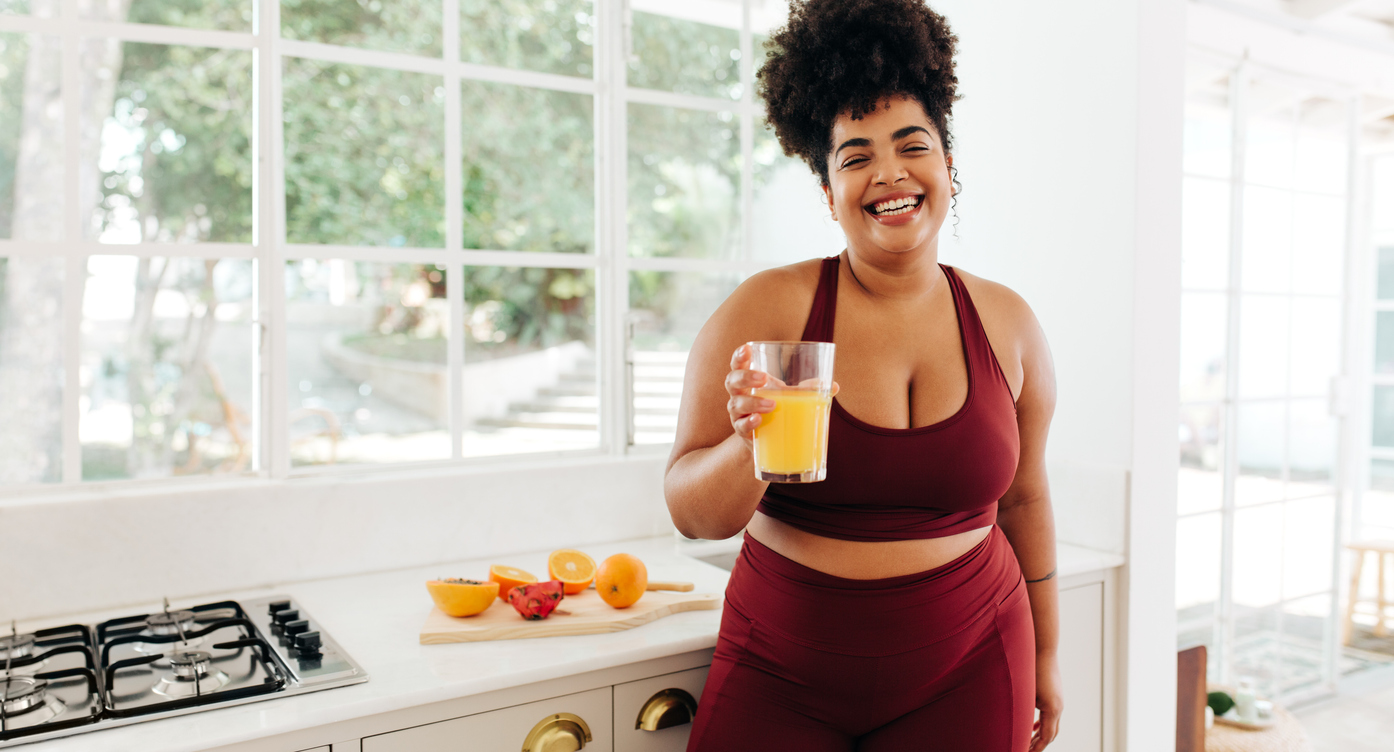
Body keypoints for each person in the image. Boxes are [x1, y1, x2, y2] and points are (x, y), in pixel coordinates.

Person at [663, 1, 1062, 750]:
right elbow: (692, 514)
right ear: (827, 193)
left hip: (973, 661)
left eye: (913, 145)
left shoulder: (1008, 323)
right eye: (854, 157)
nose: (889, 174)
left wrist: (1048, 653)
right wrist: (748, 446)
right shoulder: (769, 308)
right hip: (782, 668)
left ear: (948, 165)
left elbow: (1028, 498)